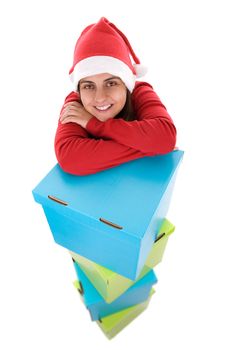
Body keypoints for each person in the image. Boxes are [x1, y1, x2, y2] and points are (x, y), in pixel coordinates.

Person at [55, 17, 177, 175]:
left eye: (111, 83)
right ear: (79, 89)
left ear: (127, 84)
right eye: (88, 86)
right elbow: (71, 158)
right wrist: (149, 147)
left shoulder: (140, 92)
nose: (99, 98)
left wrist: (93, 124)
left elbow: (164, 136)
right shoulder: (74, 103)